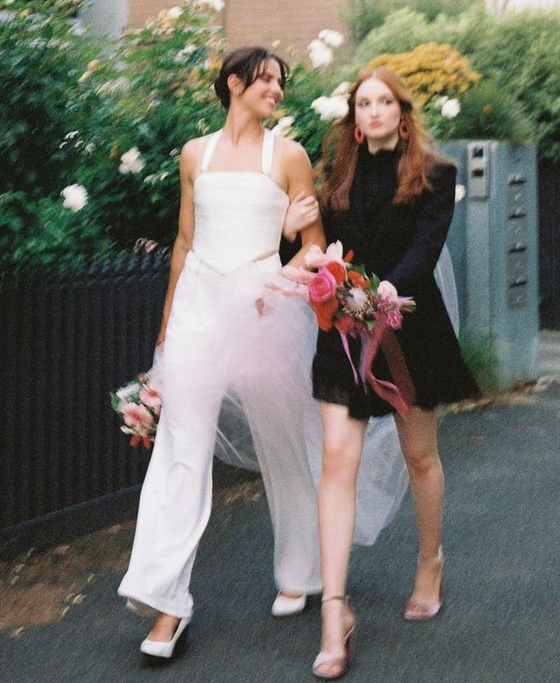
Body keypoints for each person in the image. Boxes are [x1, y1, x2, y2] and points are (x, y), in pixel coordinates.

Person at [117, 47, 407, 660]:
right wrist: (165, 332)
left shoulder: (290, 157)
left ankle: (301, 571)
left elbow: (315, 251)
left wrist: (291, 239)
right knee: (181, 451)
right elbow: (184, 241)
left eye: (281, 81)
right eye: (267, 80)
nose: (277, 89)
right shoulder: (195, 153)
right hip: (199, 307)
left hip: (261, 306)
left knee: (285, 438)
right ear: (234, 84)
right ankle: (168, 605)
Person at [306, 66, 481, 679]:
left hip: (408, 329)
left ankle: (429, 560)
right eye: (363, 102)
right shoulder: (336, 179)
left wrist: (376, 293)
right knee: (336, 462)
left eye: (383, 101)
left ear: (402, 113)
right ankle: (334, 611)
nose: (372, 110)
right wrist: (291, 235)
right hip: (344, 335)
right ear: (353, 116)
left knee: (419, 457)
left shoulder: (437, 175)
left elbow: (422, 255)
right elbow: (309, 253)